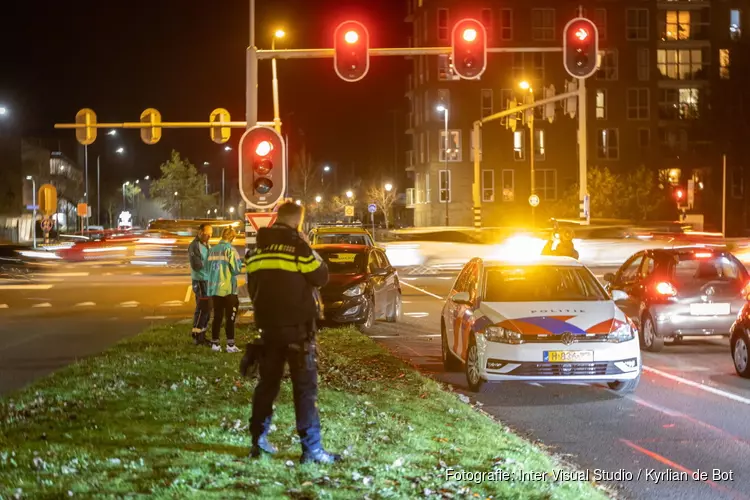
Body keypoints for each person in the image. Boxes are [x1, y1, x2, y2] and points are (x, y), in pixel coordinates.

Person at [243, 201, 340, 464]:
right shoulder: (298, 248)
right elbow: (321, 277)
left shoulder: (257, 249)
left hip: (268, 331)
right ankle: (312, 450)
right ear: (298, 221)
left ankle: (257, 442)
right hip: (298, 332)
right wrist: (308, 245)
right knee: (305, 390)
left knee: (267, 386)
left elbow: (252, 288)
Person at [207, 227, 243, 353]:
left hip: (215, 288)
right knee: (230, 317)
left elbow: (207, 269)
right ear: (232, 238)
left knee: (217, 316)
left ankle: (215, 343)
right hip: (228, 289)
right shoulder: (230, 250)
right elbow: (236, 270)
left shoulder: (212, 250)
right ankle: (230, 345)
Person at [188, 223, 212, 345]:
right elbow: (196, 265)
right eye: (207, 234)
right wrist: (211, 264)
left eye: (211, 234)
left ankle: (202, 335)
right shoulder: (194, 246)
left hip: (207, 280)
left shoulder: (207, 245)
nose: (209, 236)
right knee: (203, 308)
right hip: (200, 281)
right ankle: (197, 335)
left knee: (207, 309)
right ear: (200, 232)